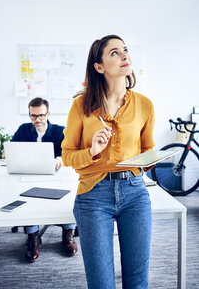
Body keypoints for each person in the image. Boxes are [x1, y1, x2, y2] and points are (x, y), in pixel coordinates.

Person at [61, 35, 155, 289]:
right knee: (100, 282)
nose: (124, 55)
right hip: (93, 195)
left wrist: (149, 161)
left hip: (135, 193)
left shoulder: (145, 105)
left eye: (125, 50)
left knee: (137, 280)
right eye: (114, 53)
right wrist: (91, 151)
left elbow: (148, 149)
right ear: (99, 67)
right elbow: (67, 154)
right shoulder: (81, 105)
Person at [10, 97, 77, 262]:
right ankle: (33, 237)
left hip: (57, 176)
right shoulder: (23, 129)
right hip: (29, 176)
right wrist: (10, 154)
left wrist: (59, 160)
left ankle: (68, 233)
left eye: (40, 115)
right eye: (33, 116)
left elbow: (68, 153)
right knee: (26, 198)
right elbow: (10, 149)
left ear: (48, 113)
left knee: (69, 196)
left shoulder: (60, 131)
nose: (37, 120)